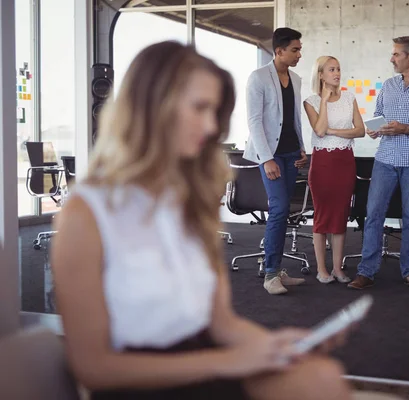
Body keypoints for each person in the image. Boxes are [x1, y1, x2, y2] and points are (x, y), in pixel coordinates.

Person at [50, 41, 352, 400]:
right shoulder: (86, 214)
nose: (211, 126)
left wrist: (274, 344)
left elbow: (220, 323)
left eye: (215, 112)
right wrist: (226, 363)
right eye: (200, 108)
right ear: (152, 107)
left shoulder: (190, 201)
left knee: (323, 376)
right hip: (146, 385)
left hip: (210, 363)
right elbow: (95, 368)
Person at [347, 36, 409, 290]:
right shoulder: (389, 85)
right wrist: (375, 128)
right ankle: (366, 271)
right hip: (385, 159)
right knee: (373, 215)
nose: (392, 59)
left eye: (396, 54)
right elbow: (379, 115)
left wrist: (405, 128)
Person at [244, 27, 309, 295]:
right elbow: (254, 121)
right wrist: (266, 158)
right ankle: (270, 273)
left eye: (300, 49)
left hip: (292, 154)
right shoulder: (258, 78)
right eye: (295, 49)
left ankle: (278, 269)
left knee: (285, 212)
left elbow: (294, 118)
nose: (299, 54)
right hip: (270, 155)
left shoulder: (295, 79)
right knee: (279, 208)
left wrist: (302, 147)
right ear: (279, 50)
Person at [303, 56, 365, 284]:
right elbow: (319, 131)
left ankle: (338, 268)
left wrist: (335, 131)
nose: (337, 73)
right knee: (322, 215)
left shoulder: (349, 98)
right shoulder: (310, 101)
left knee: (340, 216)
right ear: (320, 74)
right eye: (331, 69)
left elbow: (360, 131)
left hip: (345, 161)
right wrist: (324, 102)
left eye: (338, 69)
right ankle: (322, 269)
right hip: (322, 163)